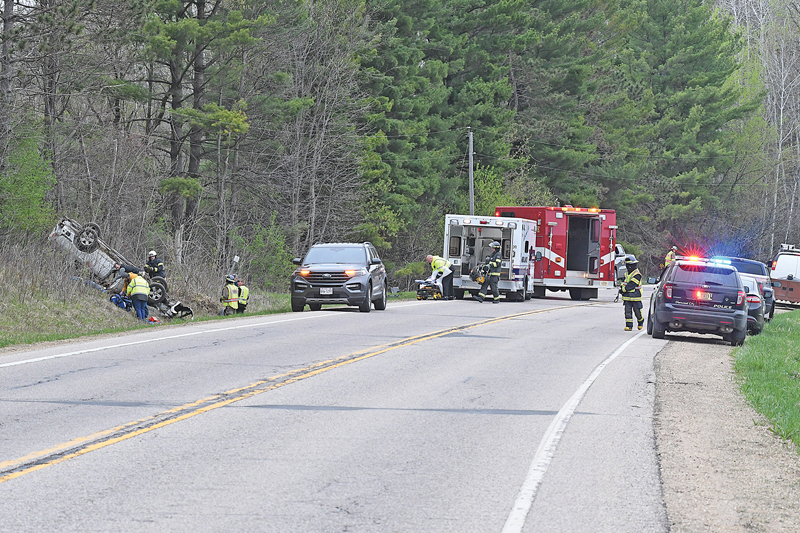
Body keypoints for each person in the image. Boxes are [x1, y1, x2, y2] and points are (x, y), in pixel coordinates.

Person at [620, 255, 644, 331]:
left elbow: (631, 285)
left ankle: (640, 321)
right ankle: (629, 326)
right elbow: (623, 283)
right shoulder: (626, 274)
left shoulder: (637, 274)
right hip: (627, 297)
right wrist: (621, 289)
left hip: (636, 297)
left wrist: (623, 290)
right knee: (627, 312)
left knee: (637, 312)